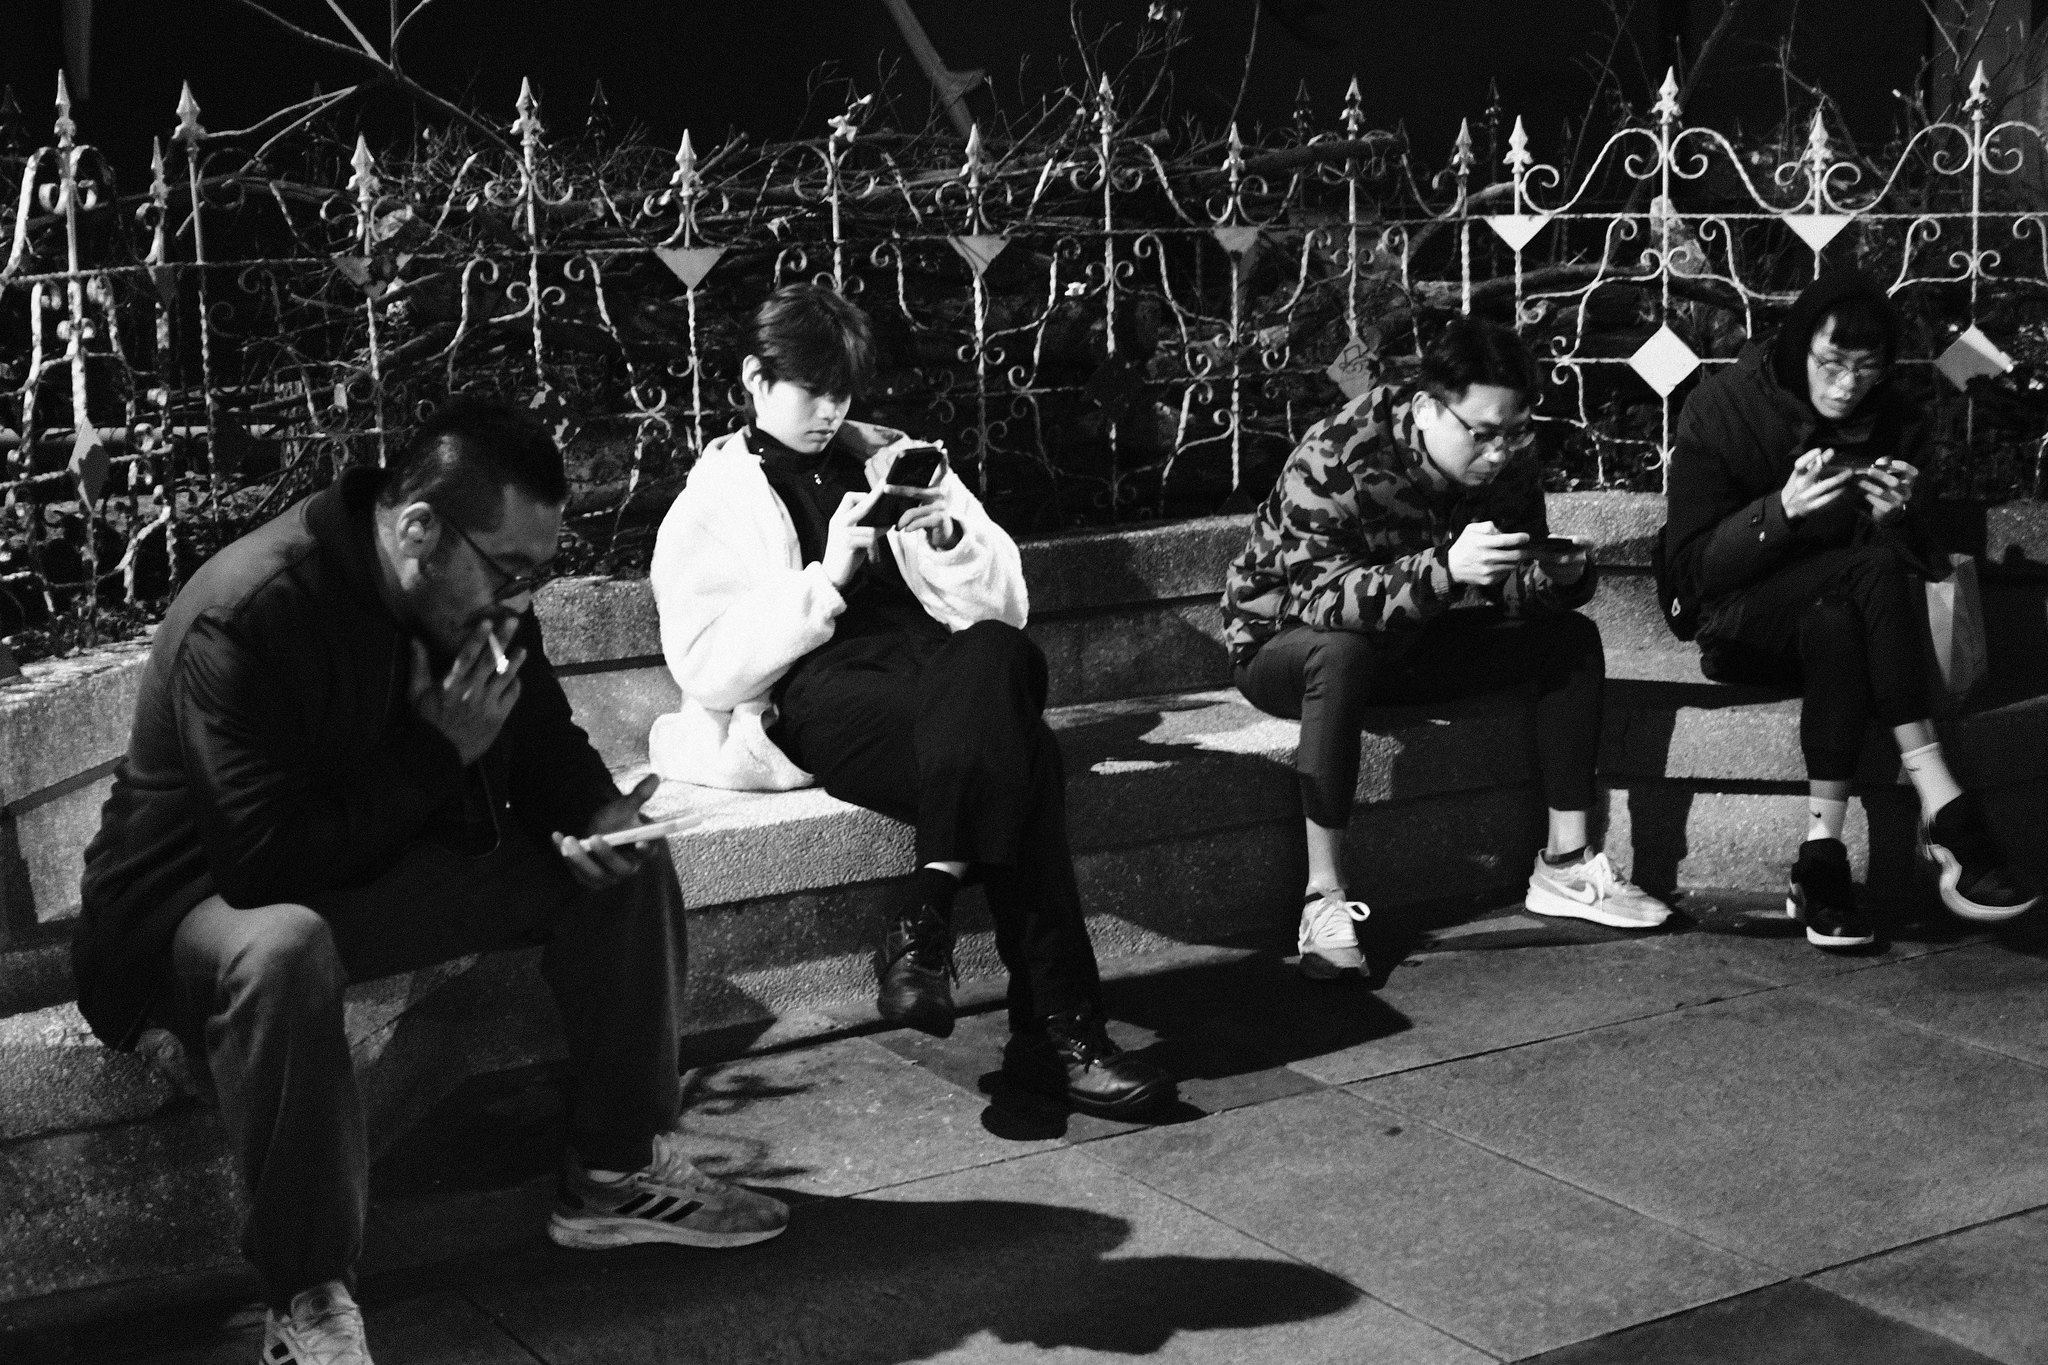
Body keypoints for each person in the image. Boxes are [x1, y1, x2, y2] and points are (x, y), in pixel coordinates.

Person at [72, 398, 788, 1365]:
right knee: (287, 946)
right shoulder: (252, 611)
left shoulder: (468, 594)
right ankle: (307, 1295)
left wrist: (599, 813)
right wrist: (436, 750)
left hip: (370, 863)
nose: (525, 598)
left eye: (538, 572)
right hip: (193, 904)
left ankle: (616, 1173)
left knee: (624, 868)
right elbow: (262, 860)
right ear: (418, 531)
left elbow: (541, 742)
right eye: (512, 569)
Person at [648, 282, 1174, 1121]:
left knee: (1000, 654)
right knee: (1026, 759)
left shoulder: (895, 457)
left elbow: (1005, 609)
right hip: (827, 696)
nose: (830, 410)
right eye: (811, 390)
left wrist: (950, 539)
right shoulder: (711, 503)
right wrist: (826, 578)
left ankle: (924, 910)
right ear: (753, 379)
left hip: (944, 675)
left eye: (844, 391)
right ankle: (1062, 1036)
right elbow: (707, 664)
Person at [1223, 316, 1672, 979]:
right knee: (1341, 653)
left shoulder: (1509, 455)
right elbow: (1322, 603)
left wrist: (1556, 577)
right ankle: (1323, 898)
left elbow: (1508, 588)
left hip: (1408, 640)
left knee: (1568, 639)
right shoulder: (1342, 450)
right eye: (1483, 434)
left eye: (1515, 431)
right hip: (1282, 646)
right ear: (1431, 407)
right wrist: (1445, 570)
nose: (1499, 451)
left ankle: (1567, 864)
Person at [1662, 268, 2036, 946]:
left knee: (1841, 609)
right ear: (1799, 347)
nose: (1846, 385)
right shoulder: (1721, 408)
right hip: (1739, 621)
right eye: (1831, 364)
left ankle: (1820, 860)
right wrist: (1780, 513)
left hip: (1848, 626)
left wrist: (1901, 516)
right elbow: (1692, 576)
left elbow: (1924, 565)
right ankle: (1946, 806)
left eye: (1866, 370)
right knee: (1867, 570)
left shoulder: (1896, 416)